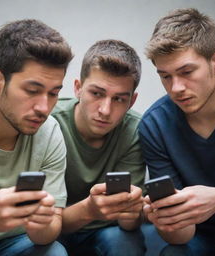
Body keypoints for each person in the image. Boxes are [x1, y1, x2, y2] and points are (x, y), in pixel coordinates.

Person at [0, 19, 73, 256]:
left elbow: (51, 228)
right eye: (32, 91)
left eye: (54, 93)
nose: (44, 108)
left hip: (15, 243)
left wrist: (42, 224)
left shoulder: (50, 131)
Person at [139, 8, 215, 256]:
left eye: (187, 72)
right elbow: (179, 238)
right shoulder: (154, 126)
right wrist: (168, 218)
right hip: (202, 238)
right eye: (165, 76)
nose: (176, 88)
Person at [52, 39, 146, 256]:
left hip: (106, 230)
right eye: (97, 93)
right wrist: (89, 210)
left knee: (123, 243)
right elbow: (37, 221)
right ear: (78, 88)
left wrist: (131, 214)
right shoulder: (49, 123)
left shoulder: (135, 130)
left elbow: (128, 224)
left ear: (132, 101)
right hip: (51, 228)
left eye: (119, 99)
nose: (105, 110)